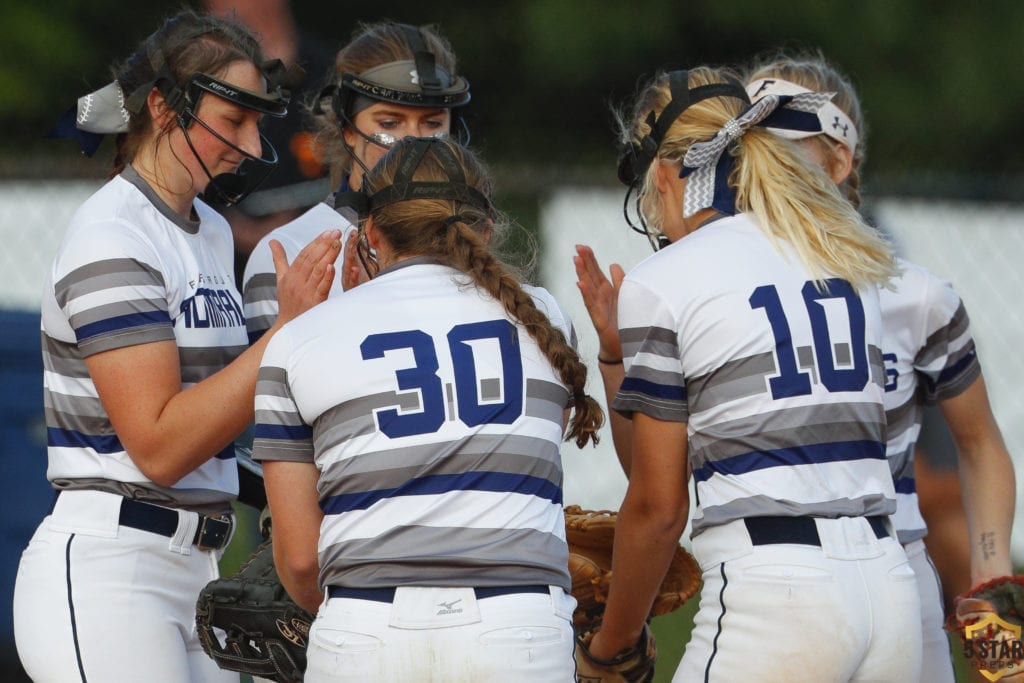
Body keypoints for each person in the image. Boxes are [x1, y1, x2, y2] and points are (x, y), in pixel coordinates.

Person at [13, 10, 341, 682]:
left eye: (259, 120)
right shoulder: (114, 235)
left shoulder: (210, 230)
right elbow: (159, 445)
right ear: (163, 107)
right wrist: (284, 332)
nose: (253, 145)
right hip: (113, 568)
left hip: (195, 563)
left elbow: (216, 421)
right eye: (234, 119)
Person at [580, 66, 922, 681]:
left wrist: (614, 642)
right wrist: (617, 357)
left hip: (778, 591)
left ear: (665, 171)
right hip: (889, 584)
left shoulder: (667, 278)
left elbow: (659, 504)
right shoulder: (840, 250)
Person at [252, 136, 602, 681]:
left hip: (364, 628)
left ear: (370, 233)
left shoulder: (298, 339)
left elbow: (300, 561)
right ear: (484, 229)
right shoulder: (548, 314)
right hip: (516, 624)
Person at [745, 52, 1016, 683]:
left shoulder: (912, 294)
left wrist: (994, 597)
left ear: (839, 161)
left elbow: (979, 445)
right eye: (744, 150)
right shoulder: (702, 282)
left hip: (899, 571)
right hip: (769, 580)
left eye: (780, 149)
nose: (754, 171)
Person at [242, 20, 471, 343]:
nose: (414, 144)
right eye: (390, 122)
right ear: (346, 127)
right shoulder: (290, 254)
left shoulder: (475, 240)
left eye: (432, 123)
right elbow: (272, 391)